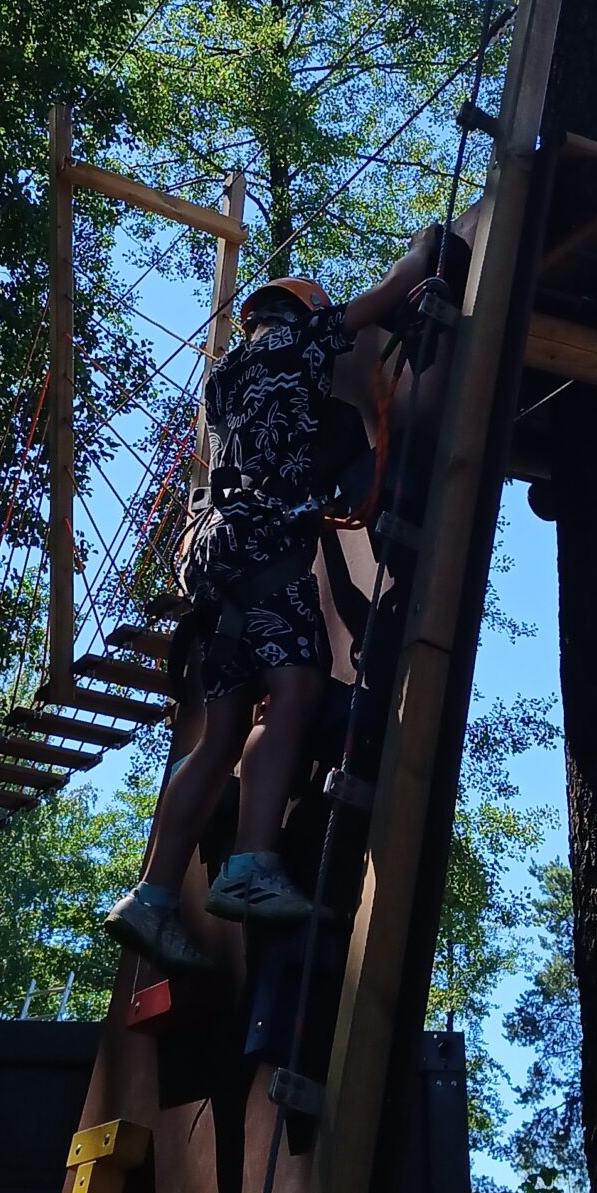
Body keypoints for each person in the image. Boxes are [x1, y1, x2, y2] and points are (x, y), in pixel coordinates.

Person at [105, 234, 437, 970]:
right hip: (264, 543)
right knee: (295, 692)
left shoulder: (225, 377)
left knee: (221, 731)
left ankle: (152, 896)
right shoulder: (302, 339)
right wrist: (425, 253)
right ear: (304, 312)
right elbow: (393, 291)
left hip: (213, 553)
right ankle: (252, 866)